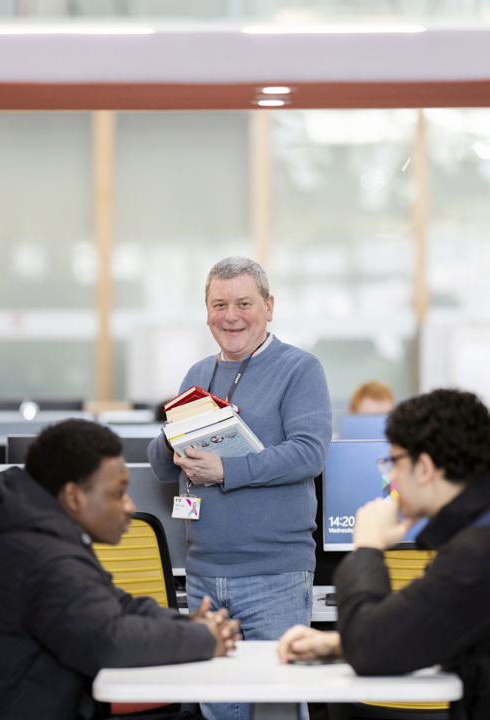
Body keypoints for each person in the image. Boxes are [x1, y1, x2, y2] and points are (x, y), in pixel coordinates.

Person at [277, 389, 490, 720]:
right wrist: (340, 643)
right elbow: (431, 624)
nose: (390, 476)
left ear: (424, 468)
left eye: (394, 462)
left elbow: (372, 651)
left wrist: (366, 547)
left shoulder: (483, 551)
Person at [0, 419, 239, 720]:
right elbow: (109, 642)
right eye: (118, 493)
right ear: (73, 497)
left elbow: (116, 604)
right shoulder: (41, 556)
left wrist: (186, 626)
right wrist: (204, 640)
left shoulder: (39, 534)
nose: (129, 507)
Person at [148, 256, 332, 720]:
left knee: (279, 709)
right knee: (219, 710)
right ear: (207, 310)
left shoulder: (300, 369)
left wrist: (228, 471)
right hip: (205, 574)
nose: (230, 316)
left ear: (269, 307)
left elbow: (310, 453)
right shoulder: (197, 374)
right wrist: (173, 441)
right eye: (219, 304)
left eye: (244, 303)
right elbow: (159, 466)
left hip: (275, 575)